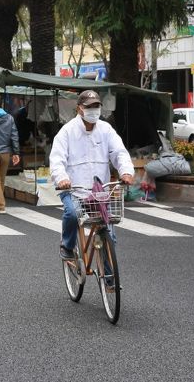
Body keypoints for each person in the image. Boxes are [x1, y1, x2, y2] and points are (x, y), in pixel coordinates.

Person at [49, 89, 135, 262]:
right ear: (79, 108)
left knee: (109, 235)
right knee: (72, 214)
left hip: (100, 191)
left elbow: (119, 152)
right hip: (74, 189)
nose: (93, 110)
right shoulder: (67, 132)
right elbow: (57, 159)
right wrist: (62, 178)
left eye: (96, 106)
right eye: (89, 107)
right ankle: (67, 245)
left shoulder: (106, 129)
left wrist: (126, 171)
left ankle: (109, 280)